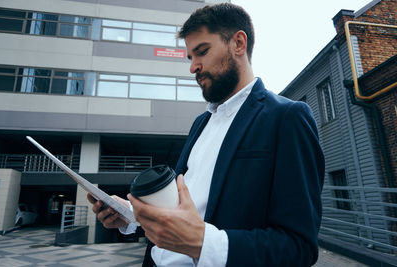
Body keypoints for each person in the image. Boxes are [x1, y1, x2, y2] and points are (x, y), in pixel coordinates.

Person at [87, 3, 325, 266]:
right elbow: (185, 210)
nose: (193, 67)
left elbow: (299, 247)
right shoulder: (201, 123)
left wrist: (203, 244)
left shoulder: (287, 117)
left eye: (201, 52)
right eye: (190, 57)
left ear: (238, 43)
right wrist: (132, 216)